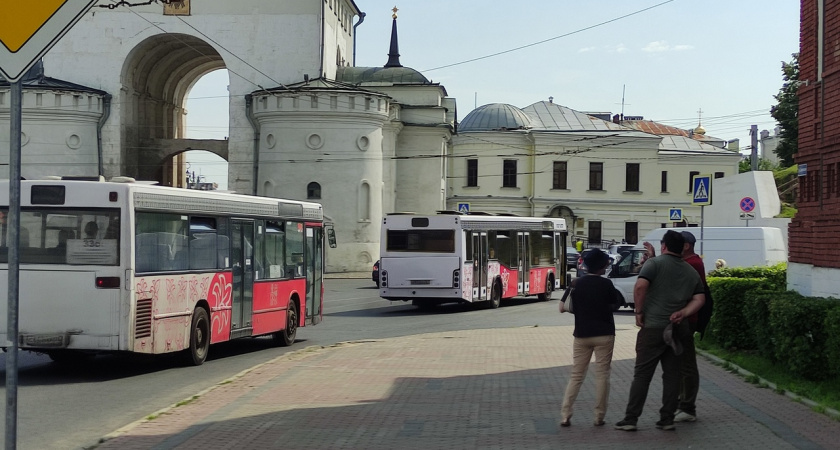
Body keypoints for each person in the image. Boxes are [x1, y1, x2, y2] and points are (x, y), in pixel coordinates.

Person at [614, 230, 705, 432]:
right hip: (677, 330)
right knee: (672, 375)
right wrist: (683, 312)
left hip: (653, 327)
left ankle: (631, 419)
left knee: (642, 375)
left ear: (664, 246)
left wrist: (639, 312)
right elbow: (700, 298)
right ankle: (667, 419)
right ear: (682, 248)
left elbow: (640, 287)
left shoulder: (653, 264)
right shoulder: (690, 271)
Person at [559, 249, 620, 427]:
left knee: (576, 375)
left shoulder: (577, 283)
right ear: (602, 266)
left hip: (582, 335)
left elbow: (562, 307)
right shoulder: (607, 284)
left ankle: (565, 414)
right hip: (604, 334)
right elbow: (615, 304)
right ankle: (599, 416)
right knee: (602, 375)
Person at [675, 231, 708, 423]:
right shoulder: (690, 262)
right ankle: (682, 402)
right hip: (685, 317)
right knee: (680, 362)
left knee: (686, 363)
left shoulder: (692, 263)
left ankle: (687, 406)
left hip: (688, 318)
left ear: (686, 246)